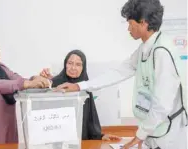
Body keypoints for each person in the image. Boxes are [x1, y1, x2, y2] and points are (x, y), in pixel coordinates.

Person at [55, 0, 187, 149]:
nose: (128, 29)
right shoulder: (146, 48)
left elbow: (162, 105)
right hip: (154, 128)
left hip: (170, 135)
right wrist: (79, 86)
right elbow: (117, 73)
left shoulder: (162, 52)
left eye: (130, 23)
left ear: (143, 23)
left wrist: (140, 135)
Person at [40, 50, 121, 141]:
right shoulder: (54, 83)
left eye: (78, 64)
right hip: (56, 140)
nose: (73, 68)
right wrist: (42, 80)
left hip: (80, 141)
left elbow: (90, 118)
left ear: (83, 68)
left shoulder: (85, 87)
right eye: (70, 63)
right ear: (65, 64)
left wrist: (100, 136)